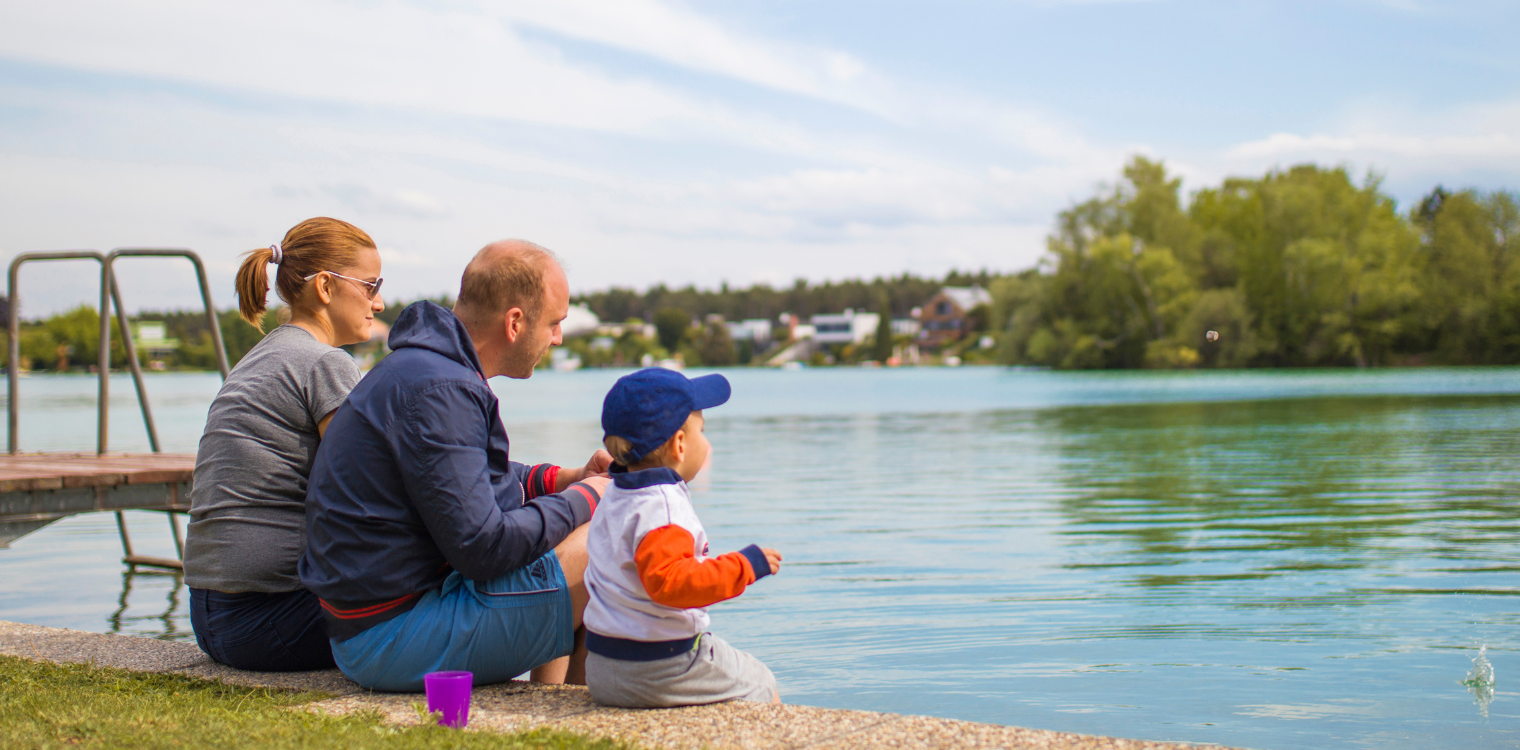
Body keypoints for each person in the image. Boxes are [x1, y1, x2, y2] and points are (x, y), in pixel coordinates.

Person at [299, 239, 611, 692]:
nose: (557, 337)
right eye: (554, 323)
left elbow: (468, 477)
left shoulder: (426, 368)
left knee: (578, 528)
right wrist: (589, 497)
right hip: (392, 638)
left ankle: (554, 699)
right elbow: (483, 549)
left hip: (378, 623)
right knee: (609, 538)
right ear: (515, 322)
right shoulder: (442, 389)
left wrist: (568, 480)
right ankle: (561, 706)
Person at [183, 216, 385, 672]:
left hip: (211, 616)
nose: (379, 300)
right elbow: (365, 492)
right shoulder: (325, 363)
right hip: (269, 620)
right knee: (452, 591)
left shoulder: (263, 355)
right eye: (370, 285)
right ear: (327, 287)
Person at [583, 368, 783, 707]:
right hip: (660, 666)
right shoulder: (662, 508)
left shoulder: (616, 495)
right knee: (759, 680)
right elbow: (671, 582)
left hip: (603, 666)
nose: (707, 442)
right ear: (679, 444)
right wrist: (744, 565)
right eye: (702, 431)